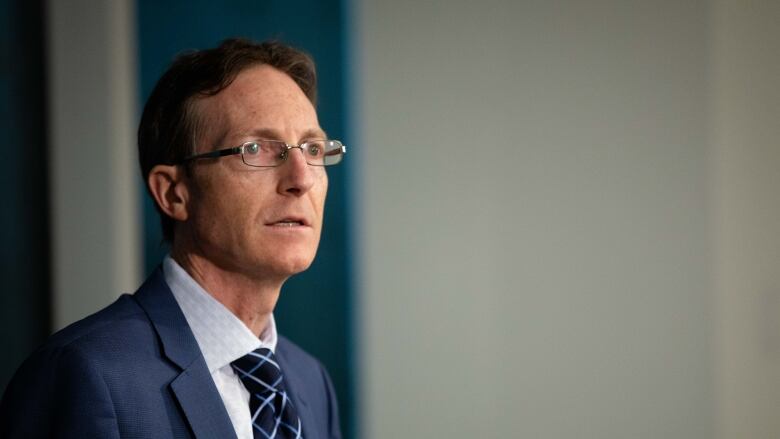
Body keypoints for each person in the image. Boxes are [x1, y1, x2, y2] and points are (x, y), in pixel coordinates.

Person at [0, 38, 345, 439]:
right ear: (173, 193)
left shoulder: (311, 382)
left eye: (313, 149)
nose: (301, 179)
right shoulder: (87, 375)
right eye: (256, 149)